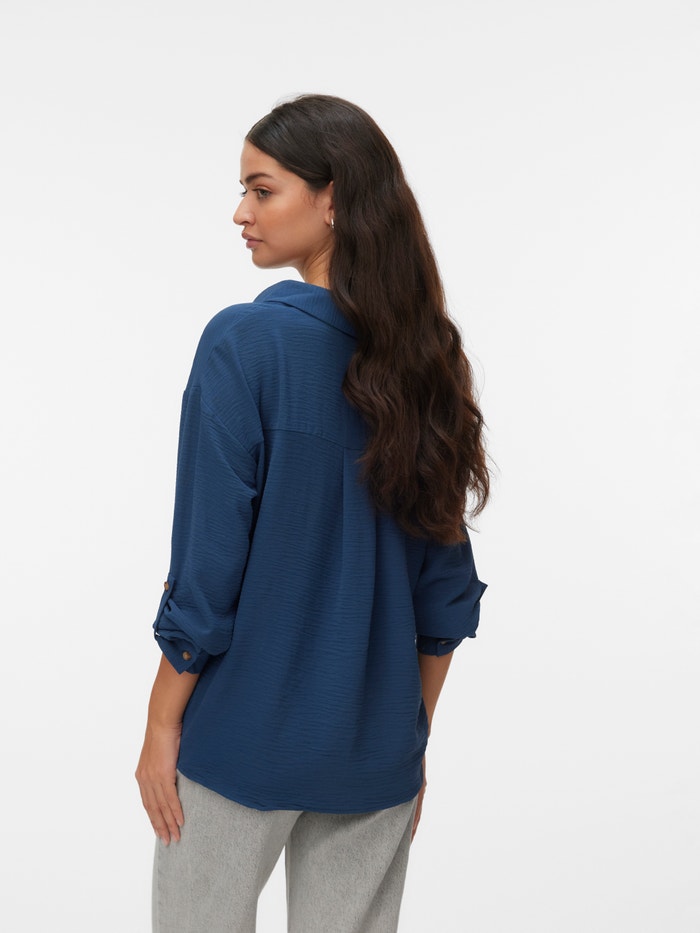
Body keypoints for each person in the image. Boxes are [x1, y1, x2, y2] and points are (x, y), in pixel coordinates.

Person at [136, 93, 489, 933]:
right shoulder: (425, 363)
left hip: (240, 742)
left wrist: (159, 719)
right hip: (373, 755)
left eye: (262, 190)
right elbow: (445, 596)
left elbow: (209, 565)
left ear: (332, 199)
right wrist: (406, 735)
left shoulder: (244, 345)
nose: (241, 212)